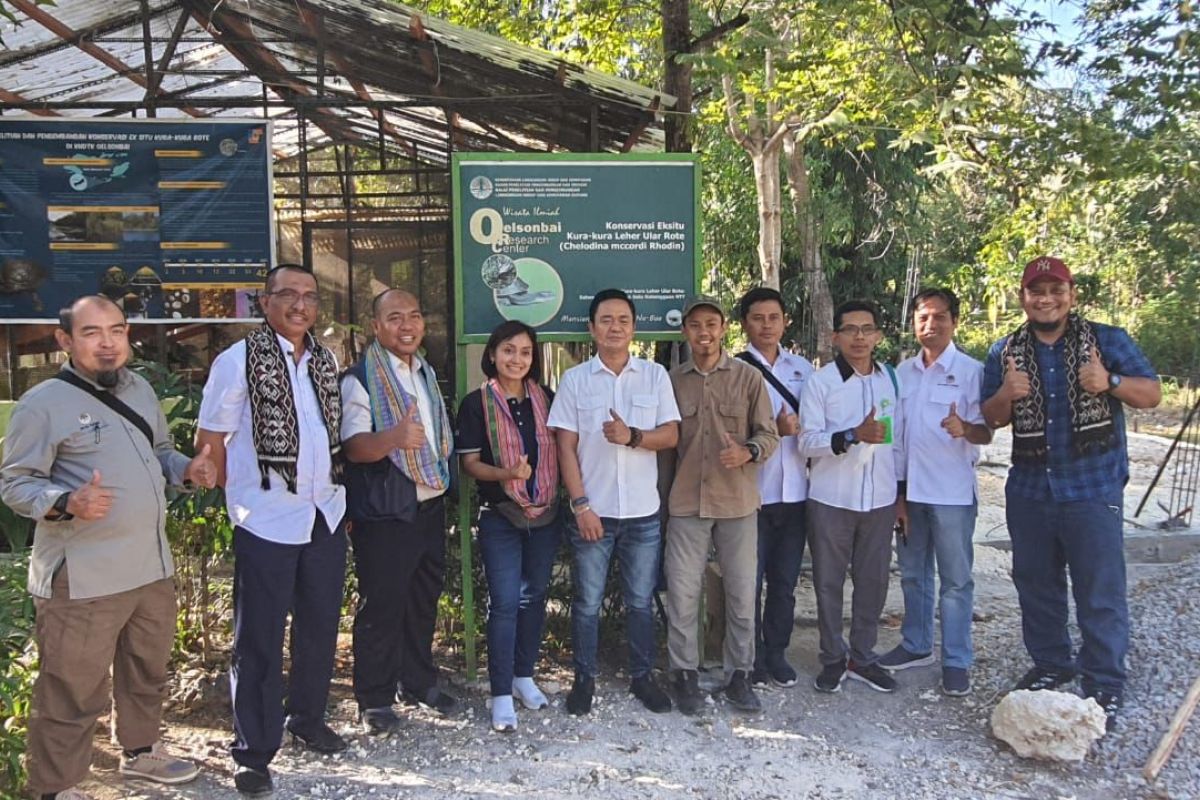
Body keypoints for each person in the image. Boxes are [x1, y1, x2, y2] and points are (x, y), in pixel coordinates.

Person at [1, 295, 213, 800]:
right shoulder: (43, 404)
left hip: (148, 565)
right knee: (71, 686)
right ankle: (55, 786)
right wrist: (65, 501)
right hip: (84, 575)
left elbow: (158, 452)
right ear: (65, 341)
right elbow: (14, 484)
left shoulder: (138, 389)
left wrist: (185, 468)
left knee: (146, 670)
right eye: (93, 332)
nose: (108, 343)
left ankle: (140, 755)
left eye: (116, 331)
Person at [980, 256, 1160, 729]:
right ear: (1023, 297)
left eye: (1054, 289)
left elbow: (1153, 394)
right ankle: (1052, 664)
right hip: (1031, 489)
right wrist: (1008, 393)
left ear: (1071, 294)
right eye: (1035, 290)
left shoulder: (1106, 340)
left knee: (1099, 588)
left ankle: (1104, 681)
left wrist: (1110, 382)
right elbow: (990, 419)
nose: (1045, 298)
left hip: (1092, 487)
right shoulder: (1004, 351)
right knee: (1036, 585)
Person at [197, 264, 348, 798]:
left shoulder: (326, 362)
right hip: (266, 518)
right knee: (258, 639)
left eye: (310, 296)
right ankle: (253, 753)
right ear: (265, 303)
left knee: (320, 626)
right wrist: (214, 483)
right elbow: (211, 437)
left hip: (324, 514)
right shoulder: (237, 361)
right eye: (288, 295)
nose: (301, 305)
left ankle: (307, 717)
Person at [546, 288, 681, 715]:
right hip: (594, 513)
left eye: (623, 319)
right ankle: (583, 679)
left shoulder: (656, 376)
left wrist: (633, 437)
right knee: (586, 602)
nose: (615, 327)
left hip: (643, 513)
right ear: (591, 328)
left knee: (641, 601)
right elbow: (565, 447)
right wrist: (581, 505)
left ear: (634, 327)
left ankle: (643, 678)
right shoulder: (574, 380)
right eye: (605, 319)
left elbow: (671, 435)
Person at [340, 289, 458, 735]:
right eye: (394, 318)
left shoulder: (425, 373)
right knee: (382, 607)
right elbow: (354, 448)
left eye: (414, 315)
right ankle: (373, 698)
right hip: (386, 512)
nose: (406, 325)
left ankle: (417, 682)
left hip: (428, 505)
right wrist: (393, 438)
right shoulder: (360, 379)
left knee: (422, 600)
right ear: (376, 326)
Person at [664, 295, 780, 715]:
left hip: (737, 503)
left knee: (741, 592)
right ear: (685, 331)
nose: (704, 332)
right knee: (682, 592)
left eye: (711, 324)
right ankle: (684, 675)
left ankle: (739, 676)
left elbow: (769, 435)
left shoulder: (749, 379)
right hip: (686, 502)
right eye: (695, 325)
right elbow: (665, 451)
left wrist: (747, 451)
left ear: (723, 328)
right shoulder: (672, 382)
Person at [880, 288, 991, 696]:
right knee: (913, 573)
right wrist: (898, 493)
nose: (931, 325)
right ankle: (916, 644)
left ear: (954, 322)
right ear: (914, 324)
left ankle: (957, 659)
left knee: (956, 581)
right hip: (911, 492)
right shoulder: (901, 373)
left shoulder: (971, 371)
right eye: (923, 318)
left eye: (939, 317)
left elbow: (987, 431)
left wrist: (966, 430)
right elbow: (894, 436)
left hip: (952, 493)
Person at [456, 321, 562, 732]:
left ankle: (523, 677)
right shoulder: (476, 403)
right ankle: (500, 693)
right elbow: (469, 465)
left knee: (534, 598)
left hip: (547, 514)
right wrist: (506, 472)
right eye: (508, 350)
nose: (517, 359)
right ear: (493, 354)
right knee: (503, 603)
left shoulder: (547, 399)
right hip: (500, 514)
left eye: (525, 352)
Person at [800, 299, 905, 694]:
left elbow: (897, 442)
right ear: (836, 336)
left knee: (873, 581)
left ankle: (863, 655)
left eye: (867, 329)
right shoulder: (821, 383)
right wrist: (850, 436)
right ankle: (832, 657)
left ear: (878, 336)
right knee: (828, 583)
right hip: (831, 499)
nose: (859, 337)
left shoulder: (890, 379)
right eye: (850, 330)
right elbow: (806, 443)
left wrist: (900, 495)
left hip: (878, 500)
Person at [734, 287, 814, 689]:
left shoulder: (804, 370)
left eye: (773, 317)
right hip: (754, 496)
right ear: (745, 323)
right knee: (749, 581)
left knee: (784, 582)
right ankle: (749, 658)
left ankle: (777, 653)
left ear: (784, 321)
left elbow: (816, 424)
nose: (766, 325)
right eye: (757, 318)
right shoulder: (735, 370)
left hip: (796, 493)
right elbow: (730, 430)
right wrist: (775, 432)